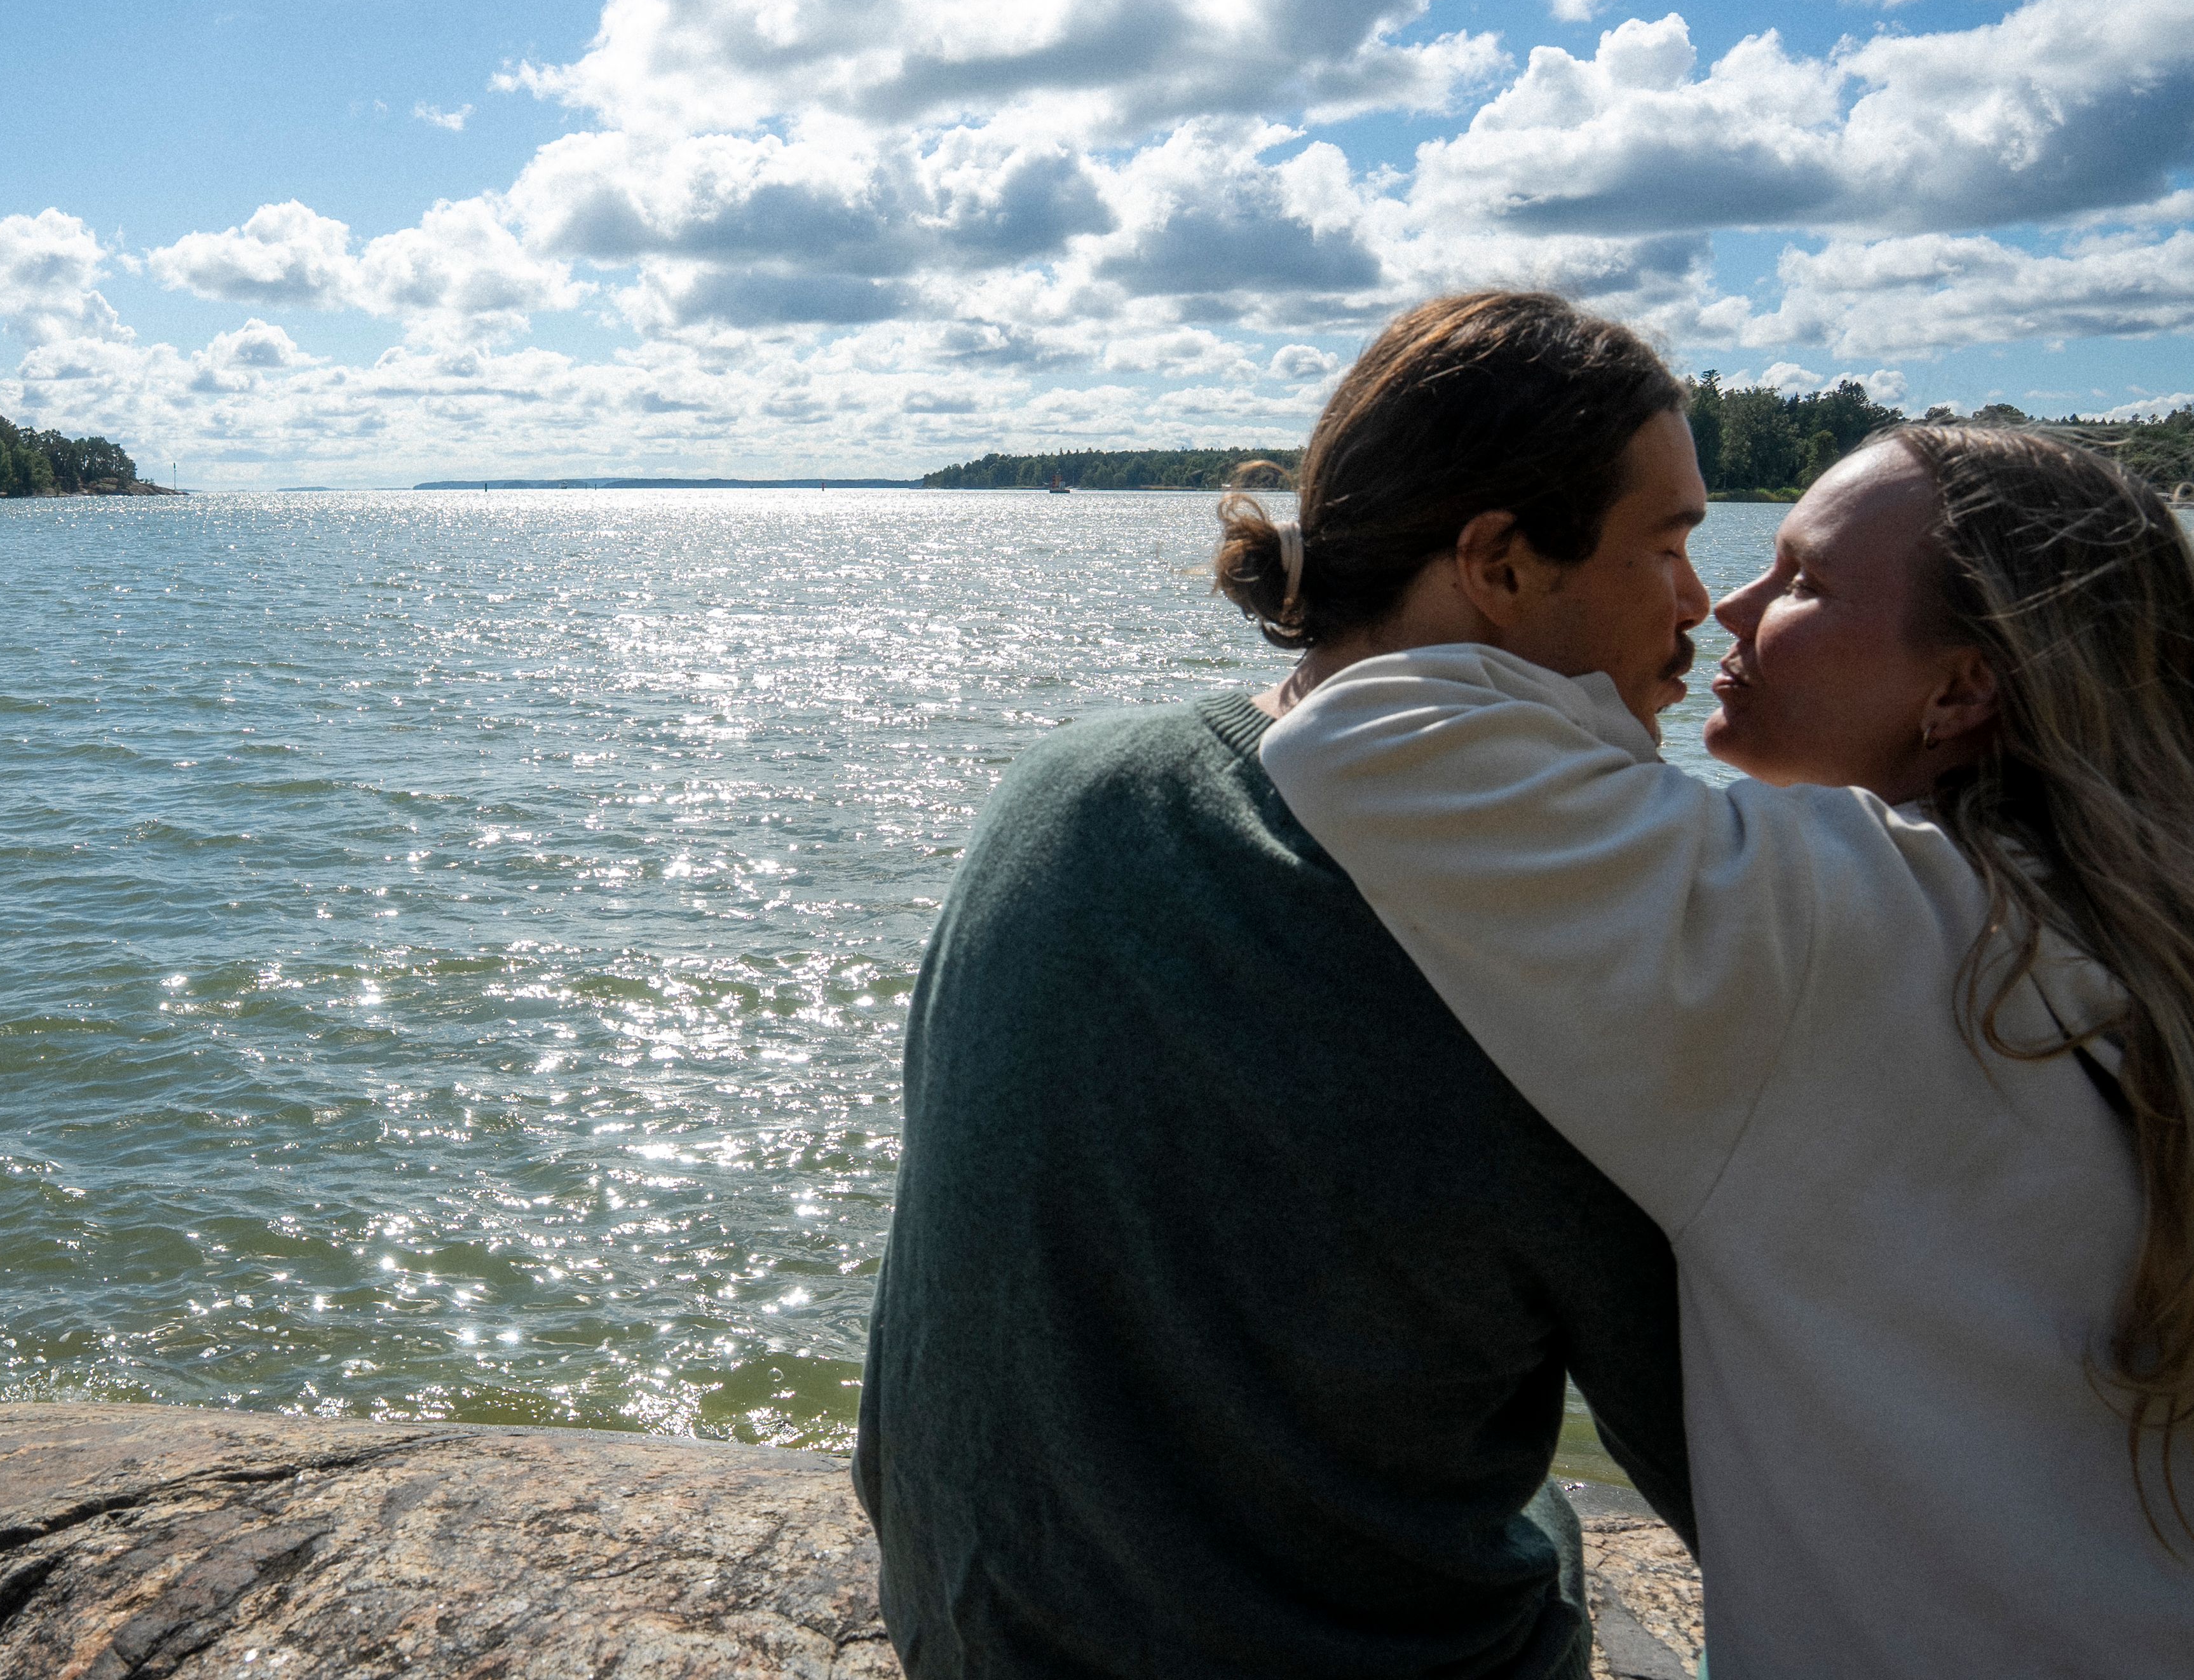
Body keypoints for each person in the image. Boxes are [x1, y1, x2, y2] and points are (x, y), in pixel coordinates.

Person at [854, 291, 1704, 1679]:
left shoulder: (1063, 782)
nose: (1700, 603)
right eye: (1667, 544)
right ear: (1496, 560)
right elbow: (1748, 1474)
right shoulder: (1549, 928)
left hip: (971, 1633)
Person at [1260, 427, 2194, 1674]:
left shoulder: (1838, 937)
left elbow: (1362, 737)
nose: (1730, 601)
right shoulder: (2137, 929)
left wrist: (1565, 657)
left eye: (1802, 583)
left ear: (1964, 691)